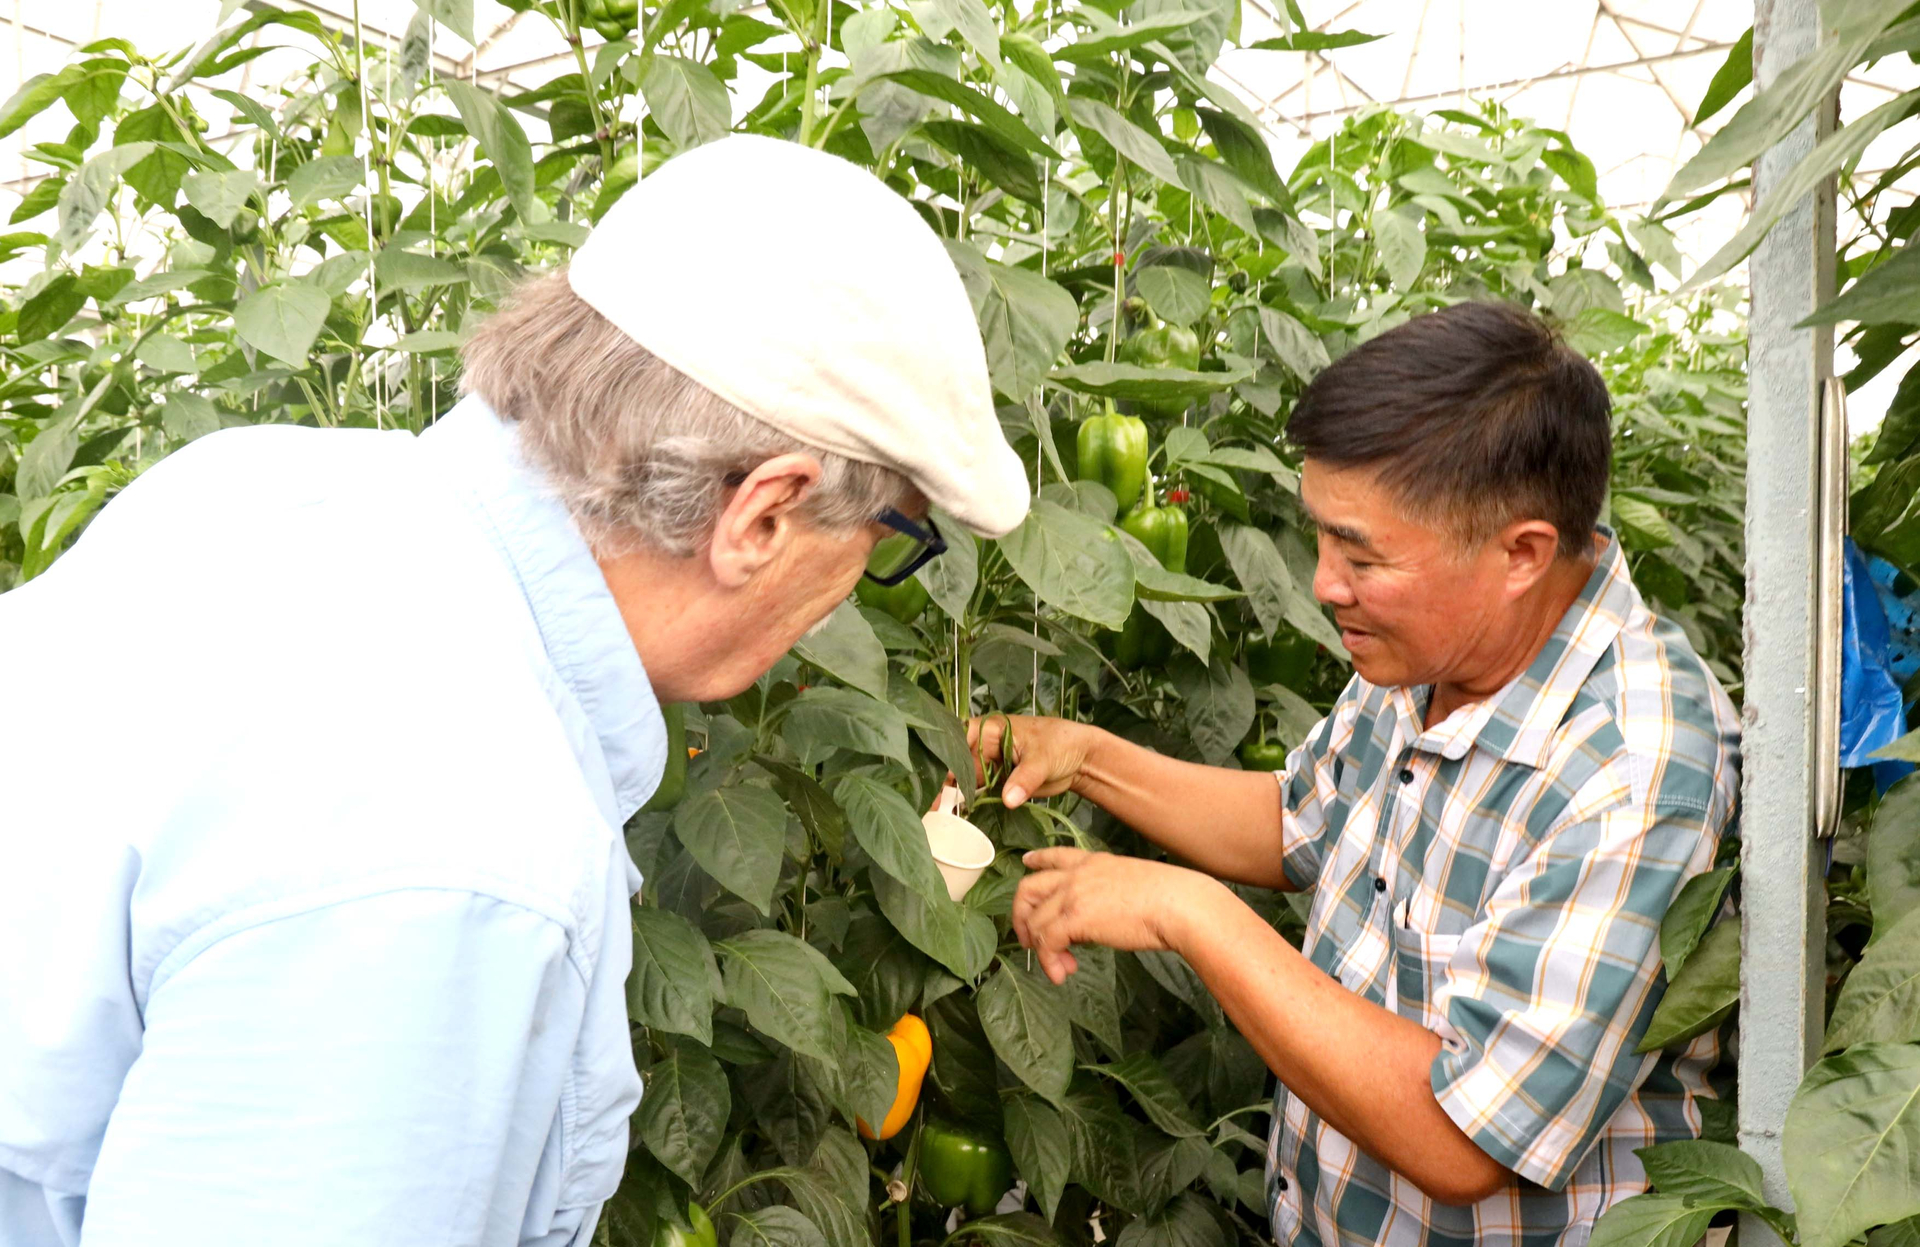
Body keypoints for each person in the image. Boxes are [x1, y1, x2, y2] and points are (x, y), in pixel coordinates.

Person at [0, 135, 1028, 1246]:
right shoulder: (462, 841)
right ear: (765, 511)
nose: (851, 595)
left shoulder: (266, 484)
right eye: (895, 535)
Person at [971, 301, 1740, 1246]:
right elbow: (1301, 818)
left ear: (1521, 553)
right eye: (1323, 538)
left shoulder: (1631, 762)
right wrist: (1085, 756)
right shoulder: (1430, 647)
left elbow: (1467, 1136)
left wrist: (1192, 912)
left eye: (1362, 554)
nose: (1324, 583)